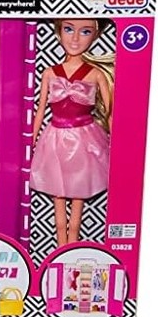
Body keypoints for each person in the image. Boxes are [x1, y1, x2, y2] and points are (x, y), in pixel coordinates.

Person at [30, 18, 114, 246]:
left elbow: (110, 111)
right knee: (57, 195)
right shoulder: (50, 72)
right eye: (68, 29)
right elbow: (40, 110)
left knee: (78, 197)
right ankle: (60, 248)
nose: (75, 38)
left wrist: (118, 141)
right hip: (55, 137)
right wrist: (31, 140)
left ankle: (72, 246)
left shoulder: (95, 74)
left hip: (84, 139)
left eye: (85, 31)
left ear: (95, 35)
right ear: (59, 31)